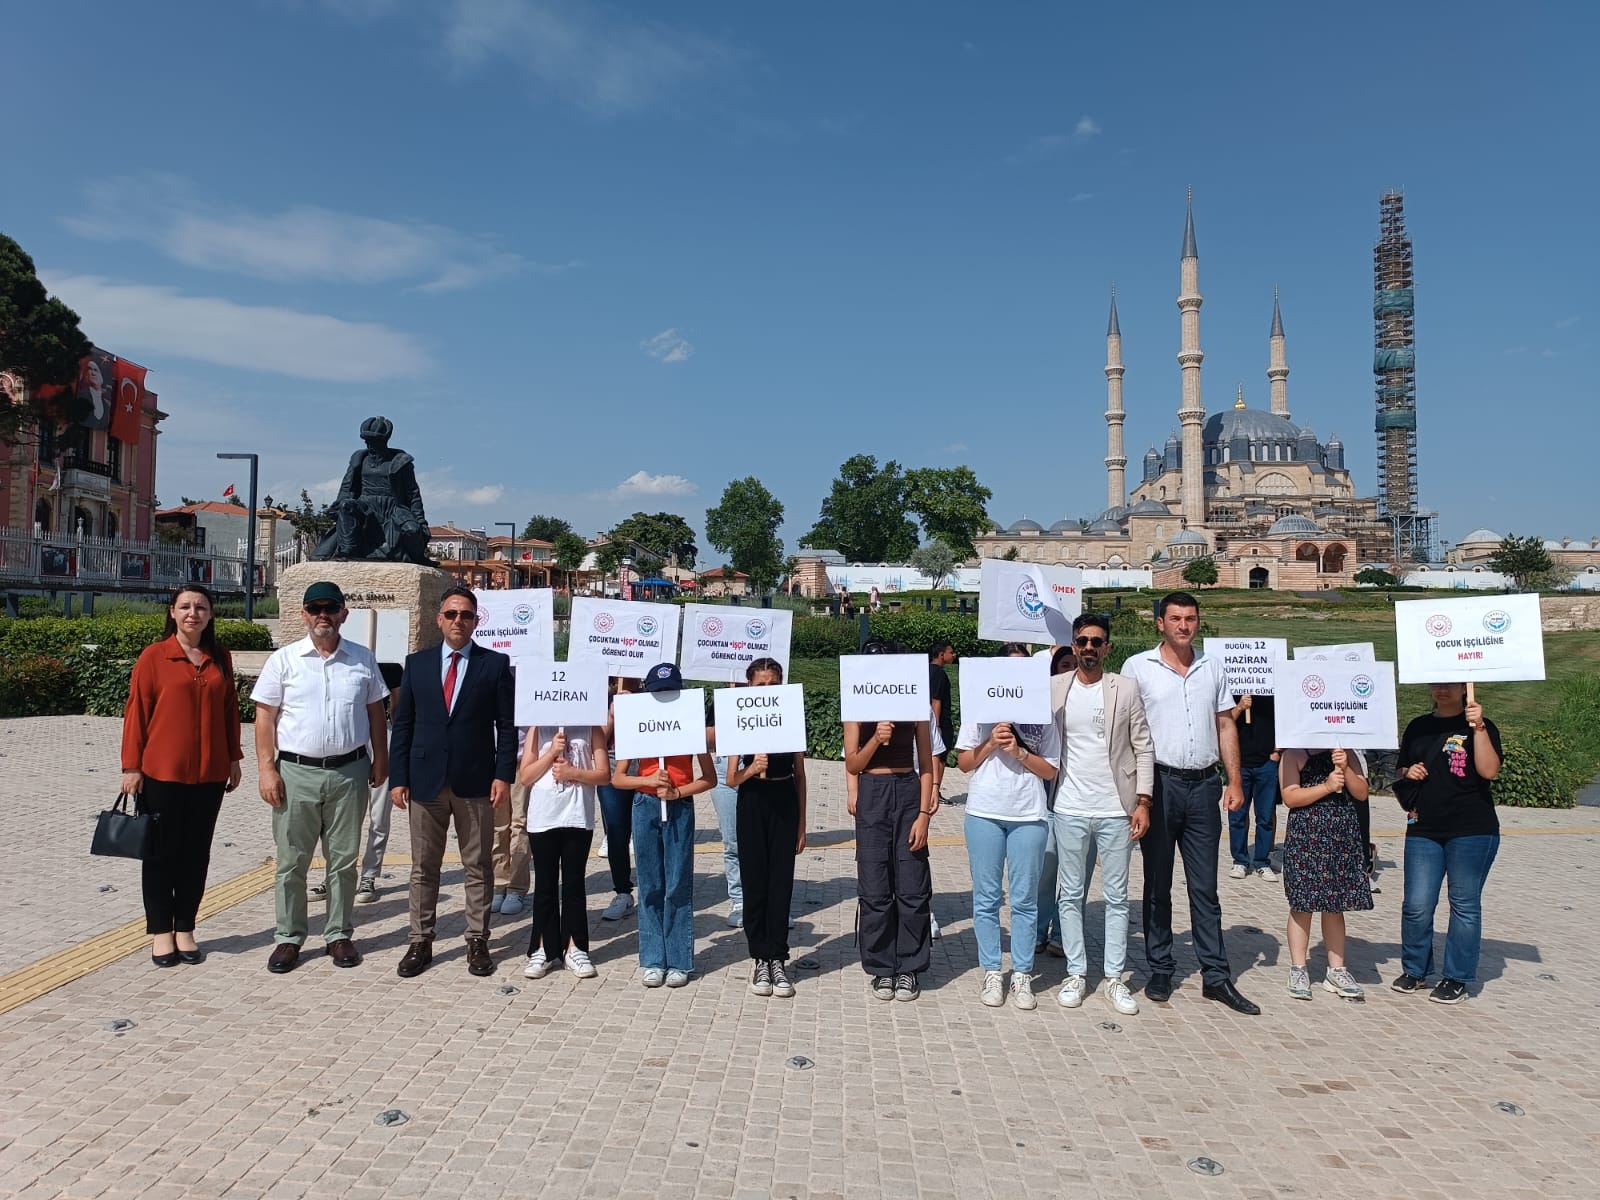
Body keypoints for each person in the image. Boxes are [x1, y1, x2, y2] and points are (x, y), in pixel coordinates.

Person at [1121, 592, 1258, 1014]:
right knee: (1158, 883)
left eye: (1191, 618)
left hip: (1203, 787)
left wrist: (1233, 780)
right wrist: (1136, 794)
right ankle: (1160, 966)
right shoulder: (1137, 668)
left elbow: (1224, 724)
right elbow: (1127, 730)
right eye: (1176, 618)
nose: (1184, 625)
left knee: (1205, 887)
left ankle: (1215, 975)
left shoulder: (1211, 666)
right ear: (1159, 623)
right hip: (1158, 785)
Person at [252, 582, 390, 974]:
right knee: (292, 861)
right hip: (296, 772)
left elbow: (377, 713)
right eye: (315, 609)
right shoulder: (284, 660)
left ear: (344, 613)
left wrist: (382, 760)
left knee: (344, 861)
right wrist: (266, 769)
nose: (323, 615)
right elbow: (265, 716)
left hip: (350, 772)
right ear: (304, 615)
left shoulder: (362, 659)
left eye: (331, 608)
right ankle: (289, 937)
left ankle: (338, 934)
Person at [389, 587, 517, 979]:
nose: (458, 620)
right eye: (451, 614)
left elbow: (506, 726)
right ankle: (420, 940)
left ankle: (477, 938)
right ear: (438, 619)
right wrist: (398, 778)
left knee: (477, 864)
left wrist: (503, 774)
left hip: (476, 780)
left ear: (477, 621)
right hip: (425, 780)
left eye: (466, 614)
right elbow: (404, 723)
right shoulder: (418, 664)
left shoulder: (494, 664)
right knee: (423, 866)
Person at [120, 584, 244, 967]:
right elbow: (136, 712)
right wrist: (131, 766)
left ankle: (186, 926)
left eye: (201, 607)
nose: (194, 613)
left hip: (209, 776)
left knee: (195, 854)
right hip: (160, 773)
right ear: (172, 612)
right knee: (160, 855)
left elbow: (230, 712)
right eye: (186, 607)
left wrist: (234, 759)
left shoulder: (219, 657)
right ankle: (160, 931)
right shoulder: (155, 657)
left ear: (210, 615)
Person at [1051, 615, 1154, 1016]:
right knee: (1071, 895)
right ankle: (1076, 972)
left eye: (1097, 641)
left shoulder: (1125, 689)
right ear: (1073, 647)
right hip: (1070, 806)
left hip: (1116, 808)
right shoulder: (1055, 687)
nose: (1089, 647)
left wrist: (1143, 801)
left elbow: (1143, 746)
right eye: (1082, 641)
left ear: (1107, 648)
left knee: (1116, 899)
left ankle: (1114, 978)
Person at [957, 643, 1059, 1010]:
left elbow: (1051, 770)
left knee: (1024, 900)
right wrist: (990, 743)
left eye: (1023, 667)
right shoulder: (979, 709)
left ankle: (1021, 974)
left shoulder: (1043, 713)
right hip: (984, 812)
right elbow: (964, 763)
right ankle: (990, 971)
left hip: (1029, 815)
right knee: (985, 899)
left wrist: (1019, 752)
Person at [1391, 684, 1502, 1004]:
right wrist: (1408, 771)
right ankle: (1415, 969)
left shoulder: (1481, 726)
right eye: (1436, 683)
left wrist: (1478, 727)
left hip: (1472, 829)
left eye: (1449, 684)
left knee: (1464, 905)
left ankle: (1457, 977)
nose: (1441, 690)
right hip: (1423, 826)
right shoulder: (1418, 726)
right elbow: (1401, 769)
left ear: (1463, 687)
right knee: (1416, 904)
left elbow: (1489, 770)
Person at [613, 663, 717, 988]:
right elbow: (618, 778)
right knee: (649, 884)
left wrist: (678, 791)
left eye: (670, 692)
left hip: (679, 807)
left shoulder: (690, 727)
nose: (664, 697)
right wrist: (644, 779)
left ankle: (680, 960)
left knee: (677, 884)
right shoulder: (637, 726)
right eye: (658, 693)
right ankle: (654, 958)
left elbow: (709, 778)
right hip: (644, 806)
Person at [845, 640, 936, 1002]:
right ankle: (882, 967)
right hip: (873, 790)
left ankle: (910, 966)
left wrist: (925, 813)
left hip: (908, 788)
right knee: (875, 886)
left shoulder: (915, 704)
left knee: (913, 886)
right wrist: (876, 740)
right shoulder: (855, 707)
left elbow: (927, 763)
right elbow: (852, 763)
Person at [727, 658, 808, 998]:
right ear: (749, 687)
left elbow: (800, 774)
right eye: (760, 685)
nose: (767, 690)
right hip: (752, 801)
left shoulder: (791, 717)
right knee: (755, 882)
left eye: (773, 684)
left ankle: (778, 956)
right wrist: (751, 768)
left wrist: (802, 823)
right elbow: (731, 779)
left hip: (783, 798)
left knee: (780, 884)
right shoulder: (739, 718)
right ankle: (759, 956)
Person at [1279, 746, 1372, 1000]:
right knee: (1302, 903)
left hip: (1340, 833)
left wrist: (1345, 769)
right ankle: (1298, 968)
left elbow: (1362, 793)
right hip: (1307, 834)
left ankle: (1337, 969)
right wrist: (1327, 786)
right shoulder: (1293, 754)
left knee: (1335, 903)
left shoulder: (1346, 752)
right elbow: (1290, 796)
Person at [520, 719, 611, 980]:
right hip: (544, 816)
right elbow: (526, 776)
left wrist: (574, 773)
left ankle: (575, 947)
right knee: (545, 885)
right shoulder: (538, 728)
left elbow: (603, 774)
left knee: (573, 883)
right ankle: (543, 948)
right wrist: (550, 753)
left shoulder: (591, 727)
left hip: (577, 814)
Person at [1035, 643, 1078, 958]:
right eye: (1064, 666)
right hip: (1050, 797)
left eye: (1074, 665)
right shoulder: (1041, 704)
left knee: (1074, 874)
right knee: (1046, 871)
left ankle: (1063, 934)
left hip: (1080, 799)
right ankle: (1038, 931)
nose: (1071, 671)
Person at [596, 677, 639, 922]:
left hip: (647, 760)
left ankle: (656, 891)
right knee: (616, 830)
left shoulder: (654, 686)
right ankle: (623, 892)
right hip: (612, 760)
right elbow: (596, 741)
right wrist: (612, 716)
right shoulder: (599, 692)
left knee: (648, 829)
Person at [1227, 693, 1281, 881]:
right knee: (1237, 815)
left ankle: (1262, 861)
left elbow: (1285, 721)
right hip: (1239, 763)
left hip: (1267, 762)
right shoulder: (1232, 693)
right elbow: (1224, 724)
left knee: (1265, 816)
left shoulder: (1272, 693)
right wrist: (1240, 707)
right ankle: (1240, 861)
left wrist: (1277, 751)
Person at [928, 641, 957, 796]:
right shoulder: (939, 673)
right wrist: (937, 726)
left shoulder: (926, 670)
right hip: (940, 723)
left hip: (926, 721)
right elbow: (936, 700)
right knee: (940, 756)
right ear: (941, 655)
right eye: (951, 652)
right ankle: (935, 791)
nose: (953, 655)